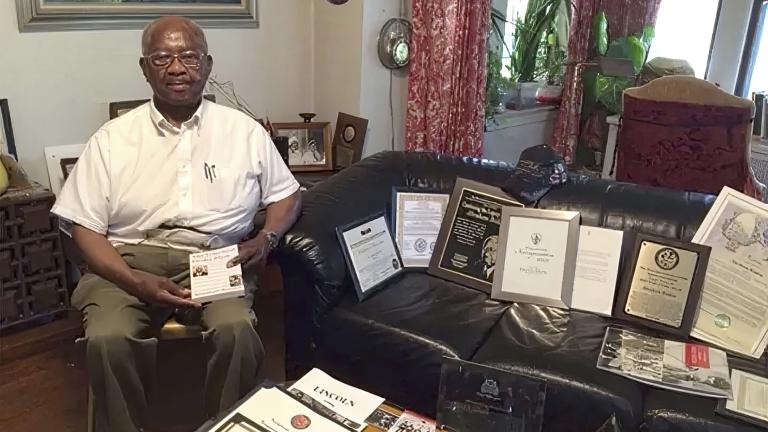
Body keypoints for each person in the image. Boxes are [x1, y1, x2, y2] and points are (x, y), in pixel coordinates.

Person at [52, 16, 301, 432]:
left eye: (188, 56)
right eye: (161, 58)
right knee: (108, 338)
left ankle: (228, 425)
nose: (177, 67)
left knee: (235, 329)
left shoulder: (244, 132)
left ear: (207, 63)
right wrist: (134, 280)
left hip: (215, 257)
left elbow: (287, 194)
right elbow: (84, 229)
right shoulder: (113, 139)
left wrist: (266, 237)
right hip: (127, 257)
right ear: (144, 68)